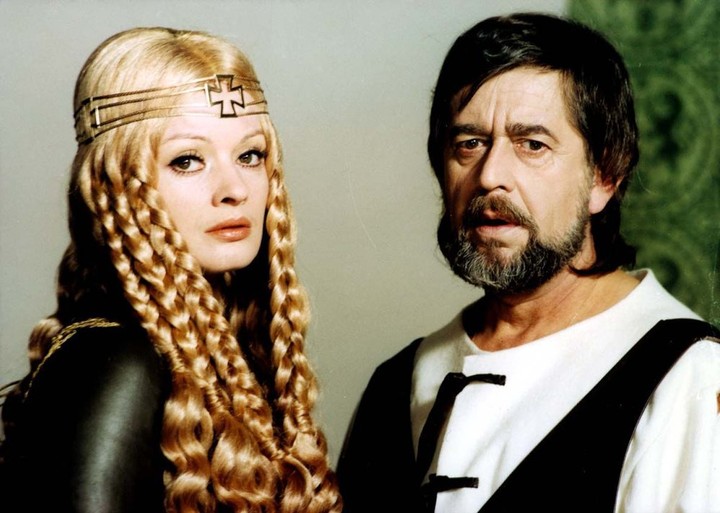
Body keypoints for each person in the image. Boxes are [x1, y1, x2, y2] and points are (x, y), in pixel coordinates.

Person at [337, 12, 720, 513]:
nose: (490, 175)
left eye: (532, 145)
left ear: (604, 175)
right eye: (469, 144)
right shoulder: (396, 384)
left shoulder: (690, 380)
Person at [0, 27, 342, 513]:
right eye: (187, 161)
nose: (235, 189)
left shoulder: (221, 357)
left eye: (250, 155)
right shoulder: (113, 362)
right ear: (118, 184)